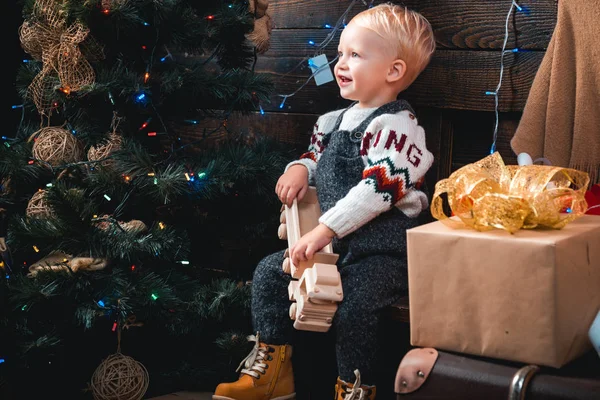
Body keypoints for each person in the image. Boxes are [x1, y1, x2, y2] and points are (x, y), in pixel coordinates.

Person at [213, 3, 436, 399]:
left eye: (355, 55)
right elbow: (317, 159)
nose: (340, 64)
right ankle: (273, 373)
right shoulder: (332, 121)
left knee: (356, 305)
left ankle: (355, 388)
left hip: (385, 254)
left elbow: (379, 189)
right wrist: (300, 168)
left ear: (393, 71)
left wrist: (325, 229)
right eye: (340, 54)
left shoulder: (398, 127)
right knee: (269, 273)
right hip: (336, 247)